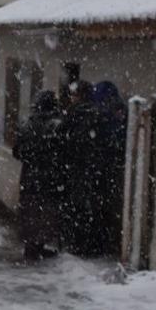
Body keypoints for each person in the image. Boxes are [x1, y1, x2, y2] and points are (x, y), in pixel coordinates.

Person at [13, 91, 67, 261]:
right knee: (47, 212)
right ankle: (41, 244)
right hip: (51, 177)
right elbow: (63, 152)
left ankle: (30, 246)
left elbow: (17, 152)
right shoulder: (58, 125)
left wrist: (31, 158)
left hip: (30, 176)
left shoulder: (26, 124)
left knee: (30, 211)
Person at [60, 80, 102, 256]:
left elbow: (63, 137)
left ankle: (76, 244)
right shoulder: (96, 113)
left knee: (75, 207)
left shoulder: (72, 113)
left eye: (73, 94)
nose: (71, 97)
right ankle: (89, 244)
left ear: (78, 95)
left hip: (75, 166)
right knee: (88, 206)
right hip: (92, 167)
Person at [91, 81, 128, 256]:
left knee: (101, 207)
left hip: (105, 167)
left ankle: (101, 243)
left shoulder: (105, 113)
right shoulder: (118, 111)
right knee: (106, 207)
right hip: (111, 167)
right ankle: (106, 241)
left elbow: (111, 139)